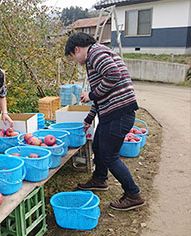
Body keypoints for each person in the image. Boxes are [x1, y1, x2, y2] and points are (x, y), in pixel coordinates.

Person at [65, 32, 145, 211]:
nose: (76, 61)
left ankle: (133, 194)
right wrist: (89, 118)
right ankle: (100, 179)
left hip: (119, 113)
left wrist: (91, 95)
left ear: (77, 49)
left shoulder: (96, 54)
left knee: (110, 156)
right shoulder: (97, 53)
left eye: (73, 56)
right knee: (99, 145)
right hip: (113, 112)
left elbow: (113, 75)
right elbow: (102, 96)